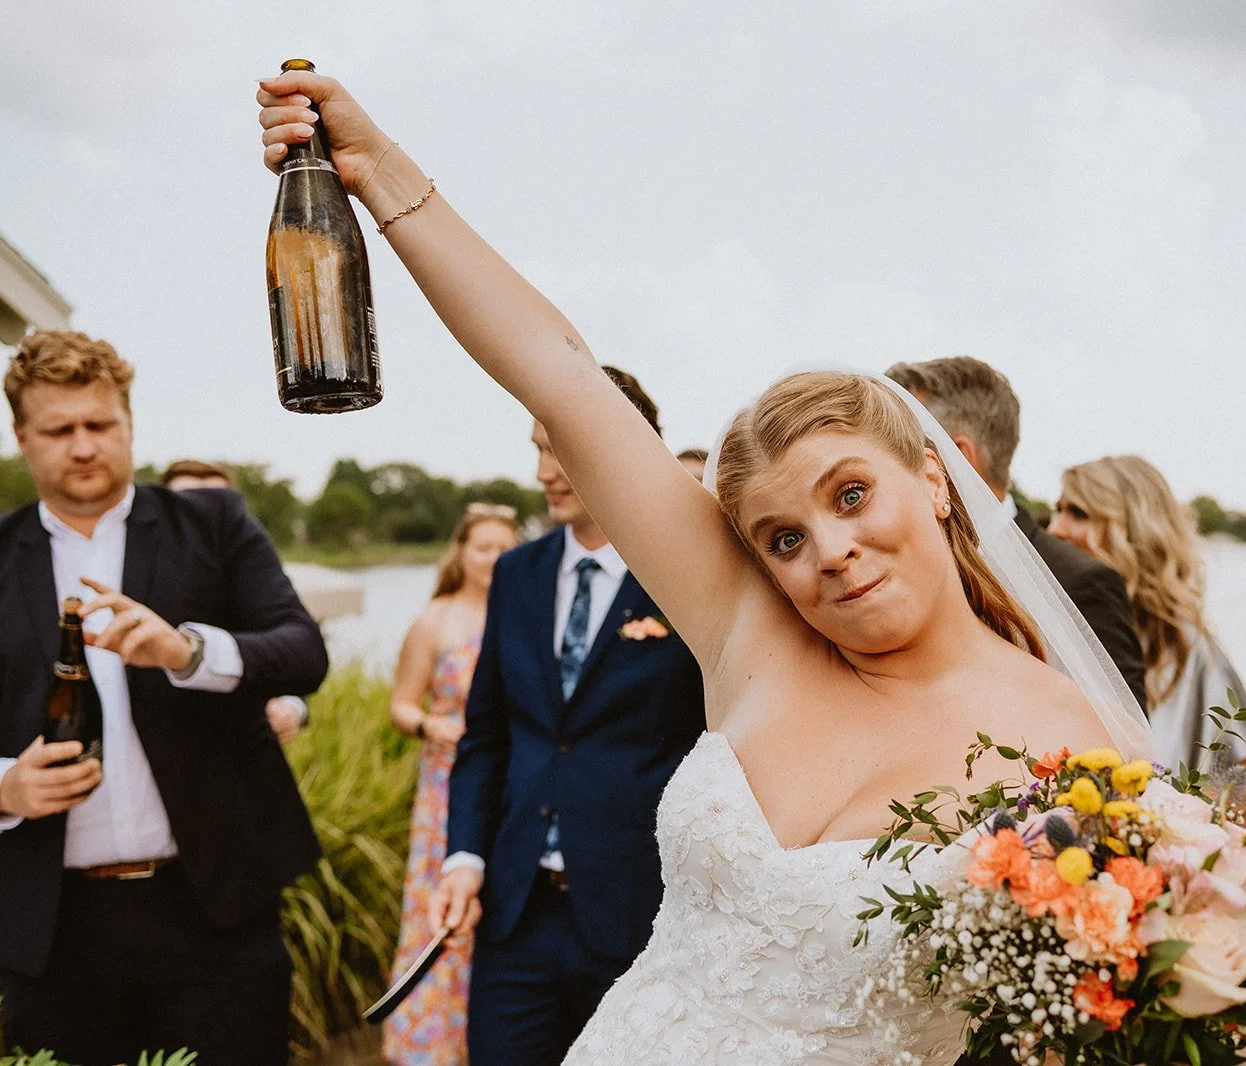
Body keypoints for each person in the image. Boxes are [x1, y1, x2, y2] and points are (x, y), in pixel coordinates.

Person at [257, 72, 1146, 1065]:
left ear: (935, 478)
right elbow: (558, 370)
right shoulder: (752, 637)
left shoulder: (1070, 744)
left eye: (849, 494)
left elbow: (1096, 1020)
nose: (829, 553)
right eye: (782, 538)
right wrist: (381, 178)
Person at [0, 330, 327, 1066]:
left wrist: (186, 650)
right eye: (59, 429)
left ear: (129, 424)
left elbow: (303, 650)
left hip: (215, 914)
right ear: (20, 438)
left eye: (99, 425)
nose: (81, 446)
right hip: (53, 929)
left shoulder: (215, 526)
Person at [436, 369, 707, 1064]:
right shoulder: (517, 572)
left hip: (637, 910)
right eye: (536, 448)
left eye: (558, 449)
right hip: (515, 911)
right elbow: (486, 736)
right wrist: (464, 856)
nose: (542, 472)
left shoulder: (690, 574)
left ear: (625, 446)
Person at [883, 356, 1147, 710]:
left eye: (898, 446)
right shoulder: (888, 572)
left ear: (953, 458)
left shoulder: (1081, 582)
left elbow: (1125, 748)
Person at [382, 503, 519, 1066]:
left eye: (504, 547)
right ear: (460, 552)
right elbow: (400, 705)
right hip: (446, 791)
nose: (493, 557)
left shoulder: (522, 614)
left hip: (511, 787)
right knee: (440, 910)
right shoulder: (435, 619)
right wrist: (432, 725)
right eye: (483, 546)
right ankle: (429, 1048)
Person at [1049, 455, 1246, 770]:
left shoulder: (1190, 649)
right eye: (1058, 510)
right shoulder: (1048, 630)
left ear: (1133, 531)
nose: (1055, 530)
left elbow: (1244, 774)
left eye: (1078, 514)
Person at [159, 459, 310, 744]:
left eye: (220, 507)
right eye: (189, 505)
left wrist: (291, 706)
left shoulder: (255, 584)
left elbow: (292, 653)